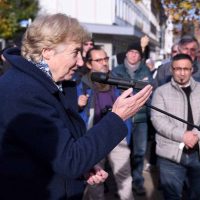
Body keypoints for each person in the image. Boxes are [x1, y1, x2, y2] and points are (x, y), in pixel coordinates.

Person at [0, 13, 152, 200]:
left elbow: (54, 152)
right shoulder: (23, 90)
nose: (80, 62)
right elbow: (69, 159)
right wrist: (117, 117)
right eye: (75, 52)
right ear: (47, 51)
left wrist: (84, 167)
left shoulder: (44, 83)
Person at [151, 54, 200, 200]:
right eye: (178, 69)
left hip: (199, 152)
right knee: (172, 195)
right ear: (172, 69)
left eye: (186, 69)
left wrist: (196, 135)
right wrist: (183, 135)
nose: (182, 73)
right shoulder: (160, 92)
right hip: (170, 154)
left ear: (192, 70)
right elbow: (158, 120)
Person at [77, 47, 134, 200]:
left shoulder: (117, 80)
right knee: (96, 180)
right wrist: (77, 105)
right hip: (94, 137)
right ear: (89, 64)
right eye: (98, 60)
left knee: (125, 177)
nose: (104, 63)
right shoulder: (81, 85)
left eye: (105, 59)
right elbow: (71, 115)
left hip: (117, 136)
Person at [112, 41, 153, 195]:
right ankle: (122, 184)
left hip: (141, 115)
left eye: (137, 53)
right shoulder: (116, 71)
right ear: (127, 53)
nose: (133, 55)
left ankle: (137, 181)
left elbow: (149, 91)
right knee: (122, 151)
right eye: (131, 52)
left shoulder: (145, 71)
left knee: (140, 151)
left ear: (140, 57)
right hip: (122, 116)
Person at [154, 35, 200, 109]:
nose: (189, 52)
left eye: (192, 49)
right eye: (185, 48)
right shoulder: (164, 70)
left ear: (196, 52)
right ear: (179, 50)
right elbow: (154, 99)